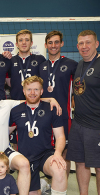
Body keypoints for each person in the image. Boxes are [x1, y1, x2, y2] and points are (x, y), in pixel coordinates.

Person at [10, 75, 67, 195]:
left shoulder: (51, 108)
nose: (33, 92)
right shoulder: (15, 110)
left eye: (36, 89)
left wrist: (58, 153)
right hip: (25, 159)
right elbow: (5, 131)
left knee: (60, 169)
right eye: (29, 89)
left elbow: (60, 136)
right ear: (23, 91)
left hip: (45, 154)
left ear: (42, 91)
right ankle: (43, 184)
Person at [66, 30, 100, 195]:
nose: (84, 46)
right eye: (81, 43)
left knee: (99, 165)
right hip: (78, 123)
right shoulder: (79, 65)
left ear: (96, 44)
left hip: (96, 124)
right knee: (80, 161)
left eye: (88, 42)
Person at [39, 30, 77, 166]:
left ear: (62, 43)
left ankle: (62, 186)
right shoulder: (41, 66)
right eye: (50, 43)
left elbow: (80, 87)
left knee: (63, 151)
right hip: (44, 115)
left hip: (63, 115)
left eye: (56, 42)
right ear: (45, 45)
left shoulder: (72, 64)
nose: (53, 45)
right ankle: (48, 180)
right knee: (45, 148)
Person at [7, 29, 46, 100]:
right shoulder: (10, 61)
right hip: (16, 101)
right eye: (21, 40)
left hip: (35, 101)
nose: (24, 43)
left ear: (31, 43)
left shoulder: (40, 59)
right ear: (16, 44)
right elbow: (9, 82)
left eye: (27, 40)